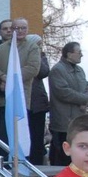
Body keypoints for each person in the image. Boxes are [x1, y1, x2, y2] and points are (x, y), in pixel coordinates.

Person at [0, 18, 41, 159]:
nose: (20, 31)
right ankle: (3, 164)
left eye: (23, 28)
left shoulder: (33, 47)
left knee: (20, 135)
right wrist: (2, 77)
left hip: (21, 99)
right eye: (17, 28)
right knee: (2, 134)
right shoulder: (1, 48)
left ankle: (21, 165)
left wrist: (11, 81)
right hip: (2, 100)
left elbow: (32, 68)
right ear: (12, 30)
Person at [48, 41, 88, 166]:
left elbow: (87, 86)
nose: (81, 55)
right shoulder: (57, 70)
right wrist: (84, 99)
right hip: (64, 123)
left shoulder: (80, 70)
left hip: (78, 121)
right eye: (79, 52)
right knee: (63, 158)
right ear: (69, 54)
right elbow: (63, 92)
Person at [28, 35, 50, 165]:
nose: (40, 47)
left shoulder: (41, 55)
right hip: (26, 101)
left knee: (38, 136)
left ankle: (38, 163)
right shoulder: (25, 54)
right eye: (37, 44)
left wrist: (38, 54)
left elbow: (43, 71)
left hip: (39, 103)